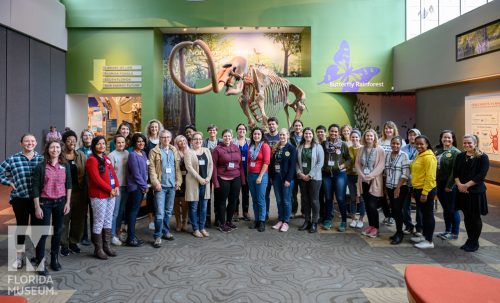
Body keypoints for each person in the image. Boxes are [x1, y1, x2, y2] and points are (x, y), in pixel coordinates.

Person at [0, 134, 43, 270]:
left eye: (32, 141)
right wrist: (8, 182)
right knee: (21, 227)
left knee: (38, 228)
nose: (29, 143)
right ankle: (19, 257)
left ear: (36, 143)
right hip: (20, 198)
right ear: (21, 143)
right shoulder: (13, 159)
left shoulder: (42, 159)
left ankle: (38, 255)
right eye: (26, 141)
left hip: (38, 200)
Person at [32, 140, 72, 276]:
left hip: (60, 202)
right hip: (45, 203)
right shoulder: (41, 167)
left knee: (58, 231)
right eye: (52, 147)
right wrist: (37, 207)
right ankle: (40, 261)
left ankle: (54, 259)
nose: (55, 149)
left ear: (61, 149)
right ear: (47, 149)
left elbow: (69, 185)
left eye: (57, 147)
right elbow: (35, 188)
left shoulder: (65, 165)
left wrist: (68, 203)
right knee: (42, 233)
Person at [86, 136, 119, 259]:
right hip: (99, 195)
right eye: (99, 144)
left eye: (103, 144)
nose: (102, 146)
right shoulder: (92, 160)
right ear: (94, 146)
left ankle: (107, 246)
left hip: (111, 194)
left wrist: (117, 186)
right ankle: (98, 249)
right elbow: (96, 180)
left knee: (108, 220)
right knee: (99, 221)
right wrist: (110, 189)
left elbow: (113, 174)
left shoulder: (106, 158)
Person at [454, 135, 489, 252]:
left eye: (469, 143)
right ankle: (469, 239)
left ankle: (475, 241)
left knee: (475, 217)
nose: (466, 145)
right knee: (467, 217)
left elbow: (481, 175)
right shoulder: (460, 156)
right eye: (464, 143)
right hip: (462, 192)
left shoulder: (482, 157)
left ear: (475, 143)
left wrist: (466, 185)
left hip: (475, 192)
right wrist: (459, 185)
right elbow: (455, 173)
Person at [149, 130, 182, 248]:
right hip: (160, 187)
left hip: (172, 186)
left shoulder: (174, 150)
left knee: (168, 211)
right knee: (159, 213)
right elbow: (152, 169)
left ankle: (165, 232)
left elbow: (177, 169)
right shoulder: (154, 151)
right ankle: (157, 236)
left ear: (171, 138)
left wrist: (178, 182)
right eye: (163, 137)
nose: (166, 139)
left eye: (168, 137)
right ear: (159, 138)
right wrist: (155, 183)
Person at [212, 129, 245, 233]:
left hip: (236, 178)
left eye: (229, 136)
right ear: (222, 137)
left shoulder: (236, 148)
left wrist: (242, 180)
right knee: (221, 202)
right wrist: (215, 181)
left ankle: (229, 221)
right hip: (222, 178)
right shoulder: (217, 149)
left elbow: (240, 165)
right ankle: (221, 223)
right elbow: (213, 166)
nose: (227, 138)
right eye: (225, 136)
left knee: (233, 201)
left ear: (232, 137)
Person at [60, 130, 87, 256]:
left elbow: (87, 172)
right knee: (64, 219)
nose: (72, 142)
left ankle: (73, 242)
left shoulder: (81, 155)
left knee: (79, 219)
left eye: (74, 140)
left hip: (80, 192)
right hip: (64, 193)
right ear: (64, 142)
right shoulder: (60, 156)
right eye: (69, 140)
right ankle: (63, 244)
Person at [321, 124, 351, 232]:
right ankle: (328, 219)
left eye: (336, 131)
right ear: (329, 132)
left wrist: (342, 165)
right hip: (326, 175)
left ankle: (343, 221)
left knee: (340, 198)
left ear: (338, 133)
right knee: (328, 198)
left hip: (340, 175)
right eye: (332, 131)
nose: (333, 133)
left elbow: (348, 159)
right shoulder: (324, 144)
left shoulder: (343, 145)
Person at [356, 129, 385, 238]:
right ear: (364, 137)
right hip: (363, 180)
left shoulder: (379, 149)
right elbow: (357, 164)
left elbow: (381, 166)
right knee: (367, 205)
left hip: (374, 181)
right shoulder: (360, 149)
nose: (369, 138)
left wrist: (370, 176)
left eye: (371, 136)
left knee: (373, 205)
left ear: (374, 137)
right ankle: (371, 225)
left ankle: (376, 228)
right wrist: (363, 176)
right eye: (367, 136)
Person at [410, 135, 437, 249]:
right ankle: (424, 236)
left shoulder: (429, 157)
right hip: (418, 188)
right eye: (417, 144)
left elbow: (430, 177)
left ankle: (429, 241)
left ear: (427, 144)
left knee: (428, 215)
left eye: (421, 144)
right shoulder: (419, 155)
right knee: (424, 214)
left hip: (426, 190)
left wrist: (425, 192)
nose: (419, 146)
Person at [185, 132, 213, 238]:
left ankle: (202, 227)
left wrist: (208, 178)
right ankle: (195, 229)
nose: (198, 141)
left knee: (204, 207)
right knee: (193, 207)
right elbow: (189, 168)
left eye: (200, 139)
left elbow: (211, 165)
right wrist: (200, 179)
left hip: (205, 183)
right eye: (195, 139)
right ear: (192, 141)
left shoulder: (206, 150)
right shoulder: (188, 152)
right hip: (193, 183)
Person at [296, 127, 324, 233]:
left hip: (315, 178)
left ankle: (314, 223)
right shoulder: (299, 146)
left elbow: (320, 163)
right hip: (302, 177)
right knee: (305, 200)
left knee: (314, 200)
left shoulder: (318, 147)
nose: (308, 135)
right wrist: (300, 173)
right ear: (303, 135)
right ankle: (307, 221)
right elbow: (296, 162)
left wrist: (310, 175)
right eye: (306, 133)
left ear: (313, 135)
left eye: (310, 133)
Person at [435, 130, 461, 241]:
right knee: (445, 209)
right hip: (439, 184)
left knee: (452, 209)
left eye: (449, 138)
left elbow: (455, 171)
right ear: (441, 139)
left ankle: (454, 233)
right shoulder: (437, 151)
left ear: (453, 139)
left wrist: (450, 185)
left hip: (450, 185)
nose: (446, 139)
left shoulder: (456, 152)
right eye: (444, 137)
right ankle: (447, 230)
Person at [269, 128, 297, 232]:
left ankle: (286, 221)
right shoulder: (275, 147)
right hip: (276, 178)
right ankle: (280, 219)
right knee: (279, 200)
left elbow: (292, 166)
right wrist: (271, 177)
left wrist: (288, 179)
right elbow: (272, 163)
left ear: (288, 136)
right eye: (280, 135)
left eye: (284, 135)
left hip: (286, 179)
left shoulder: (291, 148)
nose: (282, 137)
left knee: (286, 200)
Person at [384, 136, 410, 245]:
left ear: (401, 145)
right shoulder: (387, 155)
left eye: (397, 144)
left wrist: (398, 187)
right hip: (390, 187)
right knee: (394, 209)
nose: (395, 145)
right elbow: (385, 172)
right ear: (390, 144)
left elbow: (405, 174)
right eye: (393, 143)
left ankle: (400, 233)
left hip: (400, 187)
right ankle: (398, 231)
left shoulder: (404, 155)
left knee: (398, 210)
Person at [124, 133, 149, 247]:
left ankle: (132, 235)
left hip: (142, 186)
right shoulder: (132, 155)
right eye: (139, 141)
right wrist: (144, 186)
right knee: (133, 213)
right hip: (135, 188)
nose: (141, 143)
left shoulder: (143, 153)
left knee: (135, 212)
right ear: (134, 143)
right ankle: (130, 238)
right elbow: (136, 174)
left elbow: (145, 171)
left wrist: (146, 184)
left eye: (143, 141)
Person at [247, 127, 271, 232]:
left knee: (261, 199)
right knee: (254, 199)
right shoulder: (251, 146)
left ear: (261, 135)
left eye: (258, 134)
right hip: (251, 175)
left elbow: (266, 162)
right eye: (254, 134)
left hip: (261, 176)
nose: (256, 136)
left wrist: (260, 176)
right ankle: (256, 220)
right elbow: (248, 161)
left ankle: (262, 221)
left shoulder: (265, 146)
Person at [108, 135, 129, 246]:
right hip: (117, 187)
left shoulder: (127, 154)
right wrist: (113, 188)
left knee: (121, 211)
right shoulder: (111, 155)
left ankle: (117, 232)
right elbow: (109, 174)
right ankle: (111, 236)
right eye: (118, 142)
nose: (121, 144)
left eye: (122, 142)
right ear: (115, 144)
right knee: (114, 212)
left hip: (126, 186)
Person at [401, 128, 423, 236]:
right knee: (405, 206)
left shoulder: (421, 148)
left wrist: (409, 162)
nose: (412, 137)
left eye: (414, 135)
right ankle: (409, 226)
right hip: (405, 180)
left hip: (418, 181)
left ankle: (419, 227)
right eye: (410, 135)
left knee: (419, 206)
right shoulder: (403, 148)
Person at [144, 119, 165, 231]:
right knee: (150, 197)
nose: (154, 129)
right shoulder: (146, 141)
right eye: (152, 127)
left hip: (161, 171)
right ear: (149, 128)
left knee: (160, 194)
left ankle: (159, 218)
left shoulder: (162, 140)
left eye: (156, 127)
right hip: (149, 171)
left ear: (159, 128)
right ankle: (151, 220)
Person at [347, 130, 365, 229]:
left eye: (356, 137)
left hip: (361, 177)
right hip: (350, 176)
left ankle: (361, 219)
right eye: (353, 137)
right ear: (350, 138)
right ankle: (353, 219)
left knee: (361, 198)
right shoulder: (348, 148)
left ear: (360, 138)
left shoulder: (363, 148)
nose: (354, 139)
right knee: (353, 198)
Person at [78, 128, 93, 246]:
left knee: (95, 212)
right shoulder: (78, 152)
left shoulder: (97, 150)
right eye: (85, 136)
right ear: (82, 138)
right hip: (82, 186)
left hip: (94, 186)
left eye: (89, 135)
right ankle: (84, 236)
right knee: (83, 213)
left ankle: (95, 235)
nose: (87, 137)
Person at [202, 124, 219, 227]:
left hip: (218, 172)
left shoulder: (220, 142)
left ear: (216, 132)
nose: (212, 131)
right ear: (208, 132)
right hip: (207, 171)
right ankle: (207, 218)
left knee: (218, 195)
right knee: (207, 196)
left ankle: (217, 218)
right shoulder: (204, 142)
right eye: (210, 130)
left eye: (214, 130)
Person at [233, 123, 251, 221]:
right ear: (237, 131)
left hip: (247, 171)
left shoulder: (250, 141)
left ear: (246, 131)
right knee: (235, 193)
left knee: (246, 193)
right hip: (236, 171)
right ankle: (235, 212)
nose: (242, 131)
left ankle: (245, 211)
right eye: (240, 129)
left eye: (243, 129)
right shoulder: (233, 141)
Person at [264, 117, 280, 221]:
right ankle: (265, 214)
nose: (271, 126)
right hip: (266, 170)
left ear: (277, 125)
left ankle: (280, 214)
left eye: (273, 124)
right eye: (269, 124)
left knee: (279, 195)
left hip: (278, 171)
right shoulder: (264, 137)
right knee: (265, 194)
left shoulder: (281, 136)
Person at [174, 135, 190, 232]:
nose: (182, 142)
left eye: (184, 140)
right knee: (176, 202)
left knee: (185, 202)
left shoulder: (190, 151)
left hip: (187, 180)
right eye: (180, 141)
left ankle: (184, 221)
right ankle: (178, 222)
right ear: (176, 143)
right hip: (176, 179)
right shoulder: (174, 152)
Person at [290, 119, 304, 218]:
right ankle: (293, 211)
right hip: (292, 169)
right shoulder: (290, 137)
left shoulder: (306, 136)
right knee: (292, 193)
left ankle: (304, 211)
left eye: (299, 125)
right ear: (293, 127)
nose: (297, 127)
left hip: (303, 169)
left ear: (302, 127)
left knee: (304, 193)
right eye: (296, 125)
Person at [315, 125, 327, 224]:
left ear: (325, 133)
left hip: (327, 174)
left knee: (328, 196)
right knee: (319, 195)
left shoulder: (328, 143)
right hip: (318, 174)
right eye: (318, 132)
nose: (320, 134)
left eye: (321, 132)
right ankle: (321, 215)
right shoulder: (315, 144)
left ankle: (328, 215)